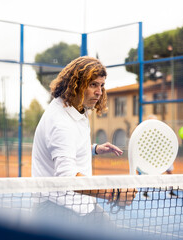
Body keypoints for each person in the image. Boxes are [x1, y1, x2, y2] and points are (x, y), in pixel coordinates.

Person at [31, 56, 136, 224]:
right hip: (57, 210)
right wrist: (113, 194)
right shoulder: (60, 122)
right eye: (93, 84)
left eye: (101, 85)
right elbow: (67, 177)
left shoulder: (78, 108)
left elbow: (68, 146)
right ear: (76, 84)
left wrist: (93, 148)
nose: (99, 92)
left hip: (82, 203)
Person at [141, 114, 177, 198]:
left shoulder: (162, 131)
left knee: (169, 172)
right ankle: (145, 192)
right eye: (150, 121)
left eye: (154, 120)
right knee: (147, 174)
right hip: (150, 157)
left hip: (163, 156)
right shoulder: (145, 132)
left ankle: (171, 191)